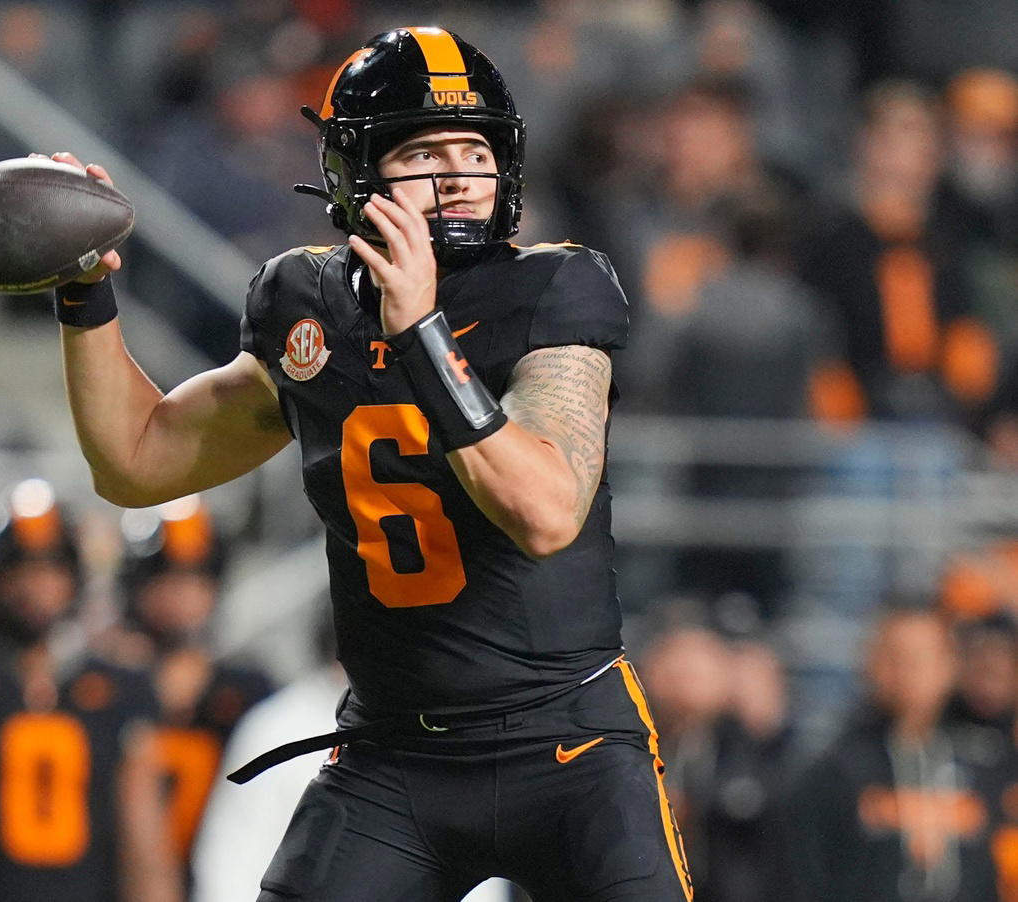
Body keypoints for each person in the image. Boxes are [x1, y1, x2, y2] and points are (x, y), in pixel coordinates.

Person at [45, 26, 691, 901]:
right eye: (427, 152)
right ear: (357, 175)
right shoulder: (305, 304)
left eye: (476, 150)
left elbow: (544, 511)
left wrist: (420, 333)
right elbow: (135, 461)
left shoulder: (554, 287)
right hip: (396, 753)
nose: (461, 174)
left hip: (566, 743)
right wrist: (87, 297)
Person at [0, 479, 180, 902]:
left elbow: (145, 842)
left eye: (50, 570)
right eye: (21, 569)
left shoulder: (118, 685)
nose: (35, 588)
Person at [111, 495, 273, 884]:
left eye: (198, 577)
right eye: (168, 577)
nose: (184, 594)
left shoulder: (248, 691)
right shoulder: (102, 686)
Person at [789, 607, 998, 902]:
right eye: (895, 656)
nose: (907, 670)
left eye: (920, 658)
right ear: (871, 665)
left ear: (949, 666)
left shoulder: (986, 762)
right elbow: (806, 875)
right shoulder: (834, 768)